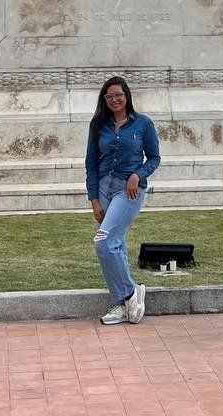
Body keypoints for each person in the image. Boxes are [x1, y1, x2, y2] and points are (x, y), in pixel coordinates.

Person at [85, 76, 160, 326]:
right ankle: (122, 302)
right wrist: (94, 199)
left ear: (127, 96)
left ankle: (128, 293)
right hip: (104, 189)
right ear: (104, 100)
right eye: (109, 97)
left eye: (118, 94)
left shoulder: (143, 124)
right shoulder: (99, 126)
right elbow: (91, 165)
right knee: (113, 243)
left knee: (104, 242)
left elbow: (154, 158)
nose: (114, 100)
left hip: (128, 190)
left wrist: (138, 174)